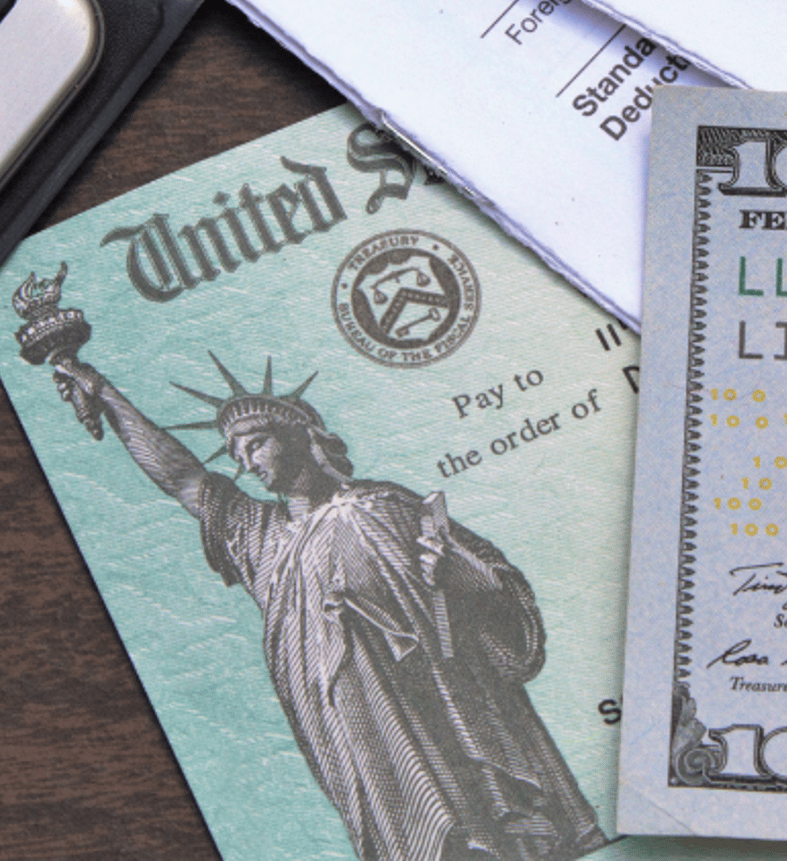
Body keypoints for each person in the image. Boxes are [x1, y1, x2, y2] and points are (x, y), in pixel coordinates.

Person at [54, 352, 606, 861]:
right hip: (367, 735)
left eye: (255, 443)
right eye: (238, 453)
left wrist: (454, 572)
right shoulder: (262, 538)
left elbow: (493, 582)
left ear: (299, 434)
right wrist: (103, 392)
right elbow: (183, 478)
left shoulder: (386, 504)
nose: (247, 463)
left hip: (453, 709)